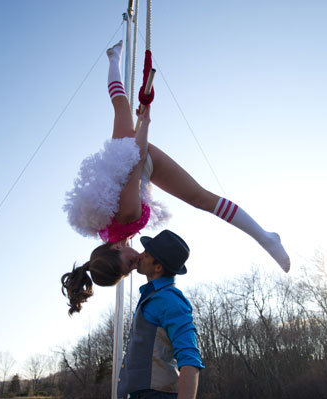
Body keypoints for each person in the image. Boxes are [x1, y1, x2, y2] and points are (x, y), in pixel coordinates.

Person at [61, 41, 290, 315]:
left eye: (129, 262)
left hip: (133, 155)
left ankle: (265, 238)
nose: (137, 261)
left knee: (200, 198)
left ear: (115, 251)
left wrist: (145, 122)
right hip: (126, 165)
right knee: (119, 105)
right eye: (133, 267)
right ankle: (113, 57)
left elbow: (136, 159)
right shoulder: (108, 235)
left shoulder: (126, 217)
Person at [117, 229, 203, 399]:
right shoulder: (154, 295)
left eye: (146, 254)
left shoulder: (171, 299)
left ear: (158, 267)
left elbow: (189, 357)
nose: (140, 255)